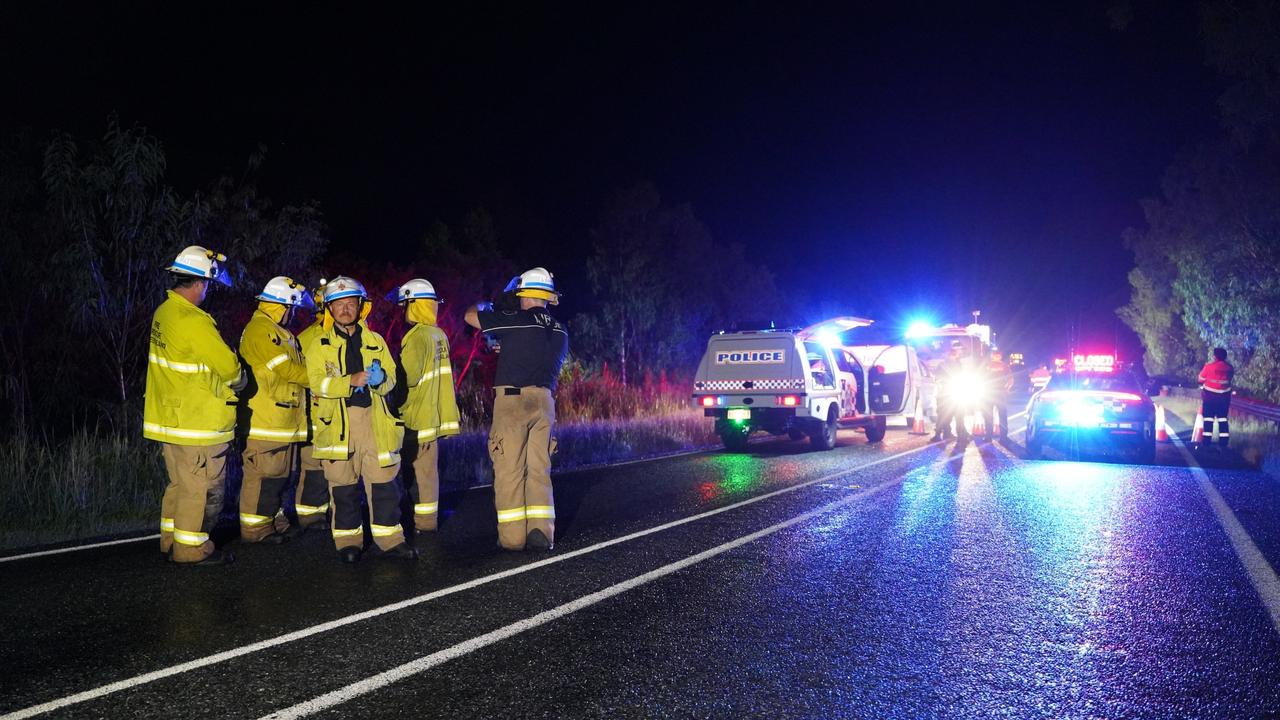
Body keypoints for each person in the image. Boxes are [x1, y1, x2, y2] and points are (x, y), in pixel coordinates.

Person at [143, 246, 244, 565]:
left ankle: (171, 542)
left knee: (180, 485)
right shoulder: (194, 320)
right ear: (200, 283)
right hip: (198, 422)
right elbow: (229, 368)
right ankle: (190, 549)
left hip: (171, 419)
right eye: (208, 285)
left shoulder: (164, 312)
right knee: (201, 488)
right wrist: (241, 378)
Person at [304, 276, 416, 563]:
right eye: (338, 305)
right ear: (329, 309)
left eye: (350, 304)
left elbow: (391, 380)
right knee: (343, 485)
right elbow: (316, 383)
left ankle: (391, 540)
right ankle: (348, 543)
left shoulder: (376, 340)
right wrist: (348, 381)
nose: (344, 310)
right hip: (339, 421)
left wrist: (381, 381)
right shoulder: (319, 344)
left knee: (384, 483)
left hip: (374, 420)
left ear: (360, 307)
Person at [464, 267, 569, 551]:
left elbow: (470, 316)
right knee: (539, 469)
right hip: (544, 403)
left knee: (509, 468)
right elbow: (529, 347)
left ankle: (512, 538)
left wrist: (493, 304)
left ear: (523, 294)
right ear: (548, 297)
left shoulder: (513, 320)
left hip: (513, 403)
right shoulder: (560, 330)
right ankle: (541, 534)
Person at [237, 276, 312, 544]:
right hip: (265, 421)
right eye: (290, 308)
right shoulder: (261, 330)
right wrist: (324, 379)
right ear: (281, 305)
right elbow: (287, 370)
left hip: (281, 420)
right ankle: (255, 530)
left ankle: (273, 522)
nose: (292, 314)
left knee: (278, 478)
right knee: (263, 477)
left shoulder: (280, 332)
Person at [389, 279, 461, 533]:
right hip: (432, 416)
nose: (402, 311)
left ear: (413, 305)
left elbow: (406, 378)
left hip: (415, 417)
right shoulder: (438, 334)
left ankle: (418, 522)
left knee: (415, 473)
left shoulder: (418, 337)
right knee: (428, 473)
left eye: (405, 305)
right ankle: (428, 522)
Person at [294, 281, 330, 531]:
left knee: (316, 468)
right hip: (319, 415)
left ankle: (315, 517)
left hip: (320, 415)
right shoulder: (312, 337)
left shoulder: (304, 336)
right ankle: (312, 516)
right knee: (317, 468)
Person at [1197, 347, 1234, 448]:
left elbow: (1200, 379)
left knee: (1208, 419)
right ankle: (1223, 443)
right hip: (1224, 398)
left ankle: (1206, 442)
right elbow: (1229, 379)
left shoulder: (1209, 367)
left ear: (1215, 356)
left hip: (1209, 397)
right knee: (1222, 419)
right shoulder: (1229, 368)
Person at [932, 345, 967, 443]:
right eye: (951, 354)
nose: (952, 356)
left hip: (954, 392)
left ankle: (959, 435)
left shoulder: (958, 364)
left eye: (954, 354)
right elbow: (937, 376)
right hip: (945, 393)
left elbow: (962, 376)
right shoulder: (943, 365)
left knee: (957, 415)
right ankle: (941, 434)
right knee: (944, 415)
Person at [987, 350, 1013, 440]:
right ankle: (1002, 436)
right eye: (995, 355)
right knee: (999, 414)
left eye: (998, 355)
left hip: (992, 392)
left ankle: (990, 436)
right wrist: (1007, 388)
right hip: (994, 392)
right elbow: (1010, 379)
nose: (997, 356)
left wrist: (1007, 388)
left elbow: (1010, 378)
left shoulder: (989, 365)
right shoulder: (1003, 365)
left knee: (991, 414)